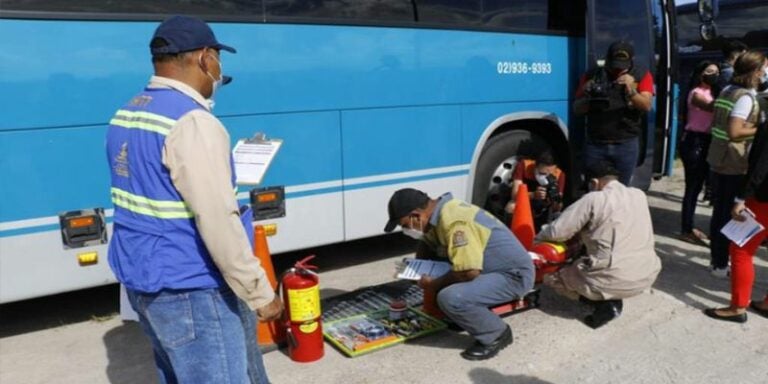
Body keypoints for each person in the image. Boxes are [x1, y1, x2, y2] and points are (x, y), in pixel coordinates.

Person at [105, 15, 282, 383]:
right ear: (204, 58)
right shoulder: (192, 122)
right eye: (218, 59)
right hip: (192, 287)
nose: (219, 70)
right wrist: (260, 292)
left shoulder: (129, 111)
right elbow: (218, 219)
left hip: (147, 281)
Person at [384, 188, 534, 361]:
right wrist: (415, 272)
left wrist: (432, 284)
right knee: (441, 285)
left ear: (416, 216)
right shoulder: (436, 216)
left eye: (404, 225)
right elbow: (427, 245)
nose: (405, 230)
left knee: (451, 298)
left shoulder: (455, 221)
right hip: (488, 270)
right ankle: (464, 315)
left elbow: (468, 272)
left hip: (513, 276)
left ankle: (496, 334)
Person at [535, 161, 661, 329]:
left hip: (615, 277)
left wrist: (537, 238)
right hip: (647, 274)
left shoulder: (594, 198)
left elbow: (557, 232)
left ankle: (604, 305)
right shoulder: (638, 195)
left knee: (551, 279)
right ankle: (608, 291)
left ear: (594, 182)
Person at [704, 54, 768, 323]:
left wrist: (742, 197)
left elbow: (762, 165)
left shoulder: (734, 92)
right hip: (728, 162)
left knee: (741, 249)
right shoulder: (744, 95)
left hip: (761, 194)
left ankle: (737, 307)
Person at [573, 40, 655, 186]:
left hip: (626, 144)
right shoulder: (593, 75)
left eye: (622, 67)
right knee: (593, 190)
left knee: (620, 192)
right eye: (614, 65)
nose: (618, 71)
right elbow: (576, 109)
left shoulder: (641, 74)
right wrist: (588, 95)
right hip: (596, 144)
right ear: (607, 60)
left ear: (631, 61)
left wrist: (631, 90)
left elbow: (646, 105)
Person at [679, 61, 720, 245]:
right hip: (694, 141)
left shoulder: (715, 92)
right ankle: (686, 228)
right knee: (693, 187)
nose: (713, 75)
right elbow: (712, 107)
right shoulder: (695, 93)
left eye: (716, 72)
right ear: (700, 74)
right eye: (709, 71)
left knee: (706, 186)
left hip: (709, 140)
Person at [505, 151, 565, 231]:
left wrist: (554, 199)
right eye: (542, 173)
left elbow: (557, 207)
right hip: (526, 202)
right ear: (535, 166)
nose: (545, 177)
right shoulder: (524, 166)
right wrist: (533, 195)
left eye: (549, 174)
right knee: (511, 206)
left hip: (545, 209)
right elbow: (514, 195)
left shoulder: (560, 175)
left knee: (559, 216)